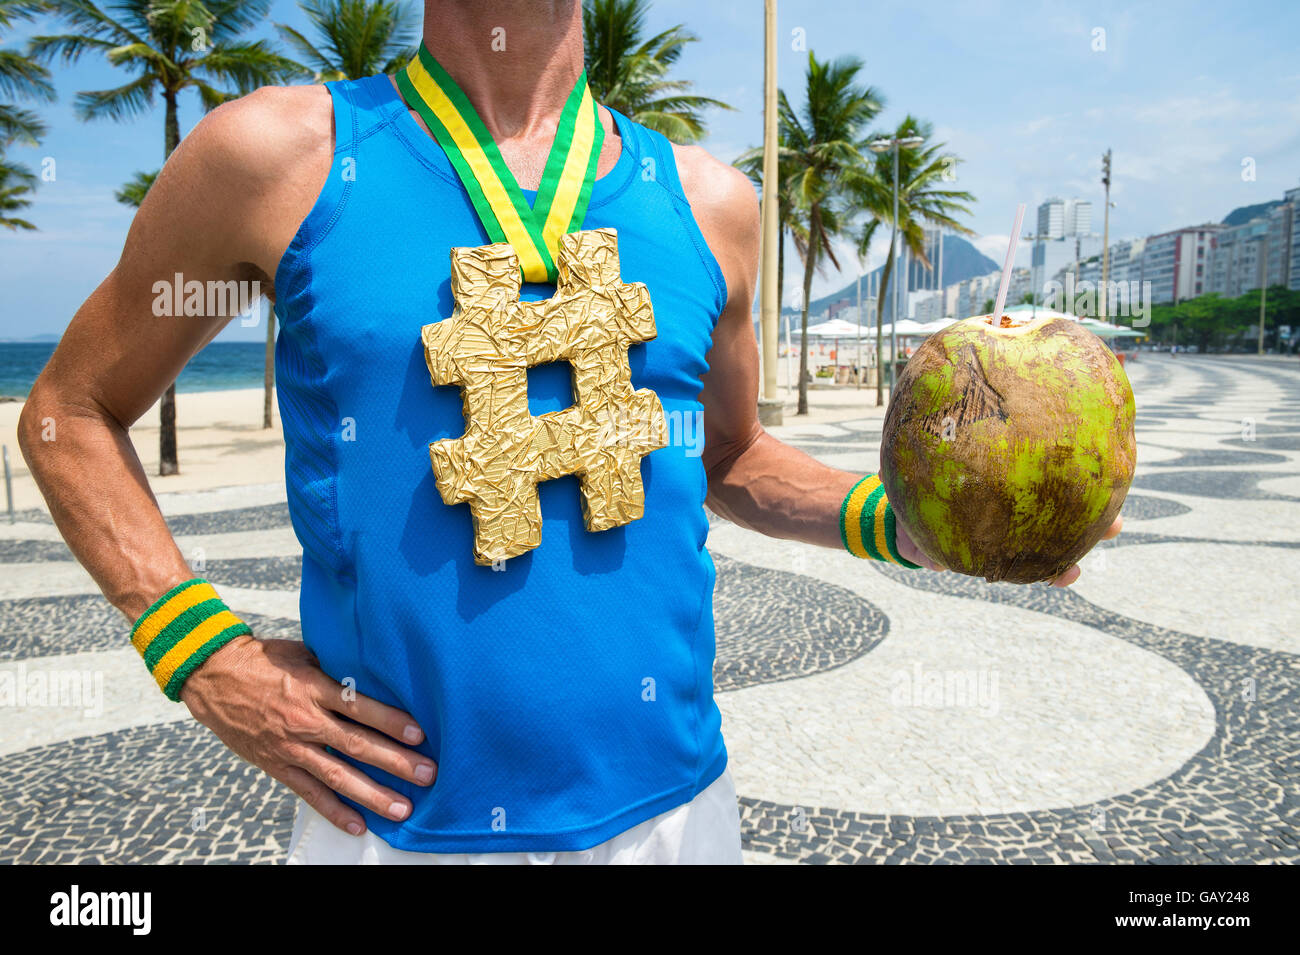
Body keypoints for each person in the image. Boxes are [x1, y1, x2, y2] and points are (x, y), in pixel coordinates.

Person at [18, 0, 1120, 865]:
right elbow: (70, 412)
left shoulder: (712, 203)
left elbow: (725, 455)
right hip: (396, 825)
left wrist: (911, 526)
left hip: (672, 813)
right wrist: (198, 650)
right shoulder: (276, 157)